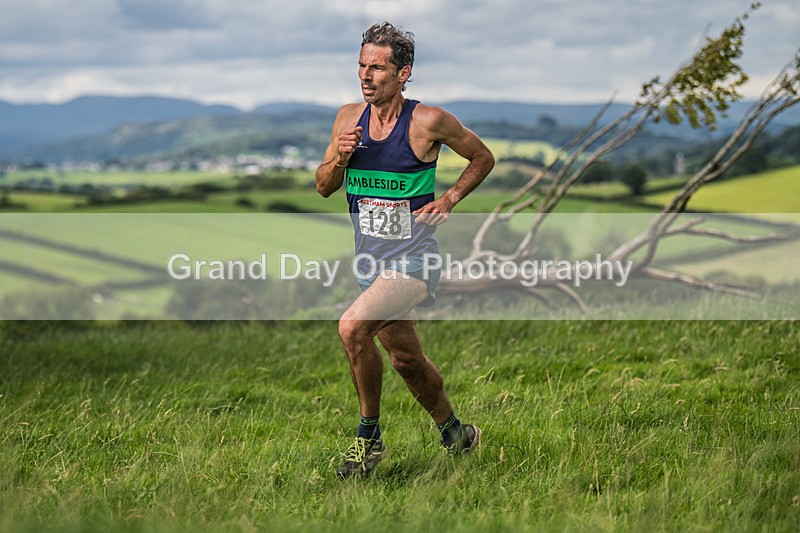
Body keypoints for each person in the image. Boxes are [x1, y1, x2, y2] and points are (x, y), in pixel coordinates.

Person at [315, 21, 495, 479]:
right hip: (369, 263)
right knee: (407, 361)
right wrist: (341, 156)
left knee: (352, 328)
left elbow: (482, 157)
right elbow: (322, 188)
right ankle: (457, 434)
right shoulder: (346, 119)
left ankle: (368, 439)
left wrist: (450, 198)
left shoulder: (427, 121)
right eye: (361, 65)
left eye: (377, 67)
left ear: (403, 72)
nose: (366, 76)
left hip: (415, 261)